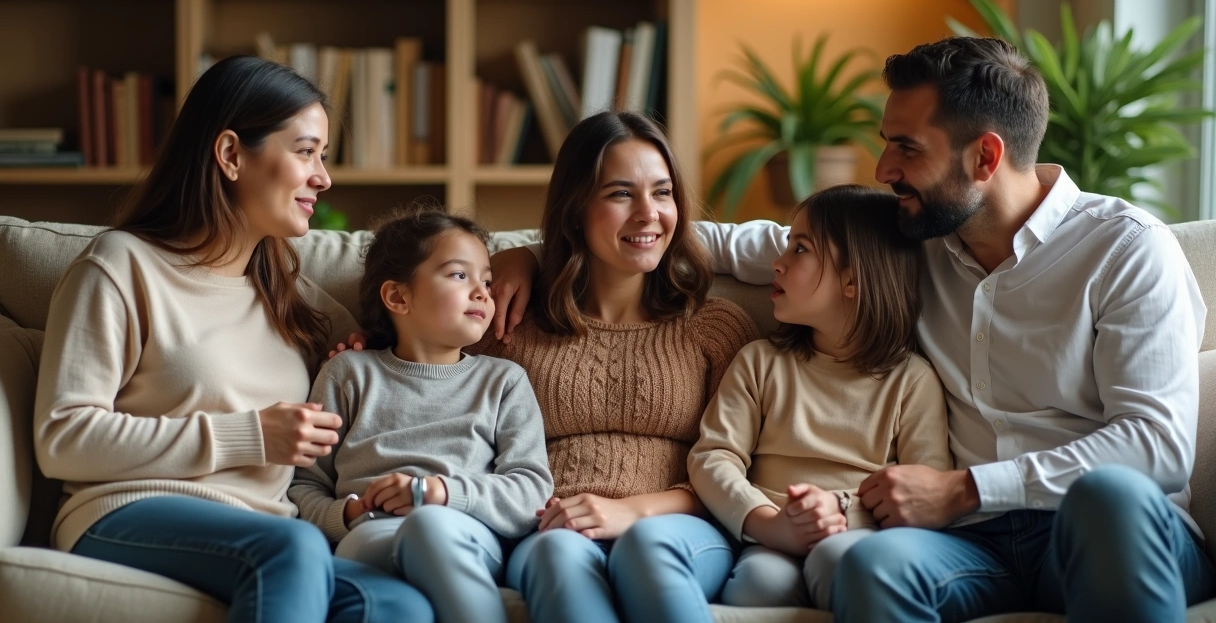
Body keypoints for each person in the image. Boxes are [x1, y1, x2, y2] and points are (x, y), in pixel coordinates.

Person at [491, 37, 1216, 622]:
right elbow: (691, 237)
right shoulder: (910, 242)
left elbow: (1154, 446)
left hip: (1103, 534)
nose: (883, 167)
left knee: (1112, 496)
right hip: (975, 548)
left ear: (985, 157)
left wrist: (964, 488)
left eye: (907, 149)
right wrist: (528, 253)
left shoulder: (1125, 249)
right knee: (869, 565)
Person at [32, 55, 432, 623]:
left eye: (323, 156)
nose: (324, 176)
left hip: (269, 531)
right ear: (230, 155)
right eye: (306, 151)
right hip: (128, 513)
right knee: (292, 550)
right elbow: (62, 437)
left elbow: (404, 346)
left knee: (397, 601)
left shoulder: (290, 292)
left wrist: (514, 266)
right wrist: (249, 436)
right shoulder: (120, 267)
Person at [471, 111, 758, 623]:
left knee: (647, 547)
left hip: (674, 528)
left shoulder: (715, 328)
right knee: (558, 555)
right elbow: (429, 376)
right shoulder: (511, 323)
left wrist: (632, 510)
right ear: (576, 208)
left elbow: (741, 469)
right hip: (551, 527)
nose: (648, 213)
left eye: (663, 192)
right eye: (621, 193)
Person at [687, 184, 950, 610]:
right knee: (758, 583)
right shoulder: (760, 362)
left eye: (800, 249)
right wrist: (768, 522)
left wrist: (841, 511)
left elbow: (923, 488)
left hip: (860, 538)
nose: (777, 263)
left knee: (836, 560)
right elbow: (712, 455)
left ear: (852, 281)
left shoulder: (912, 381)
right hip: (769, 534)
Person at [289, 208, 553, 623]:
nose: (484, 292)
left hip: (464, 532)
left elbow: (531, 490)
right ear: (398, 297)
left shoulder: (504, 380)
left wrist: (443, 493)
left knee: (428, 527)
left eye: (486, 280)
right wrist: (348, 514)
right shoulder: (348, 373)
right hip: (372, 534)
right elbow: (304, 486)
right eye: (459, 275)